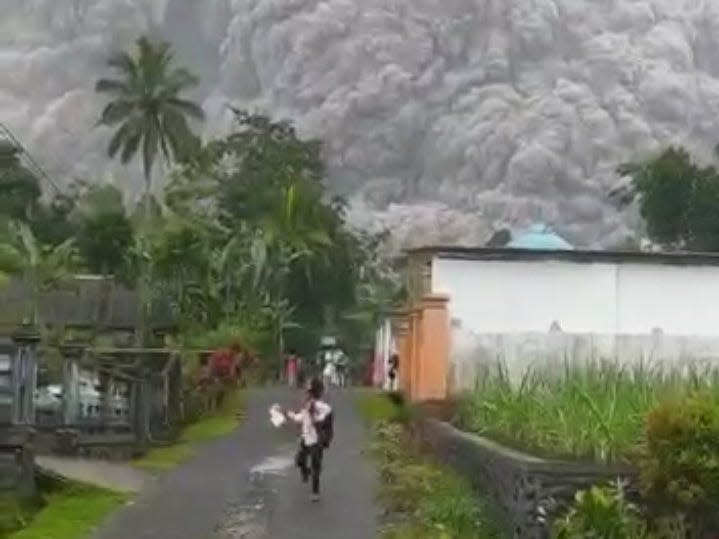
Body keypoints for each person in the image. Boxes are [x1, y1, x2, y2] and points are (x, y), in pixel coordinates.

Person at [285, 377, 333, 501]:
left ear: (314, 392)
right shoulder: (307, 406)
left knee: (316, 465)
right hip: (306, 439)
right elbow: (300, 418)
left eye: (309, 391)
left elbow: (323, 418)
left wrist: (315, 414)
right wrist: (289, 414)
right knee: (299, 460)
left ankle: (315, 492)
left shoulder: (322, 407)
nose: (306, 394)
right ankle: (306, 472)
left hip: (317, 440)